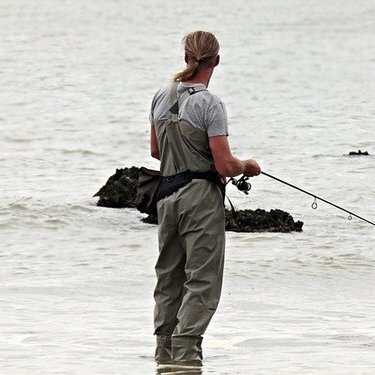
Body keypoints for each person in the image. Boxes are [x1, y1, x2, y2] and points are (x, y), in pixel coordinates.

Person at [149, 30, 261, 366]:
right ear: (216, 60)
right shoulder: (210, 104)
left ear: (186, 57)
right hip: (199, 198)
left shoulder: (160, 95)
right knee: (202, 279)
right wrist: (249, 166)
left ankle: (163, 354)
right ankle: (185, 354)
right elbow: (225, 165)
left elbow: (156, 151)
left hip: (166, 196)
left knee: (169, 276)